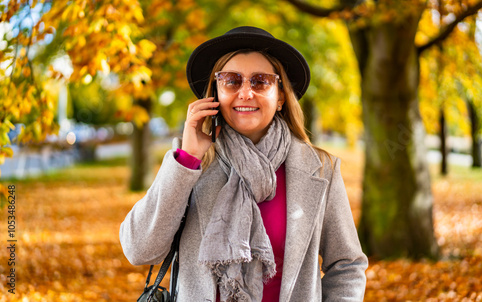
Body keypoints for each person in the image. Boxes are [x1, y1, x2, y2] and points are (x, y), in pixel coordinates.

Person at [120, 26, 368, 302]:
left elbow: (347, 265)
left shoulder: (321, 169)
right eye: (231, 80)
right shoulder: (191, 164)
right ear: (215, 93)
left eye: (260, 81)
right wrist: (187, 160)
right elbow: (139, 250)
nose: (246, 93)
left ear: (281, 96)